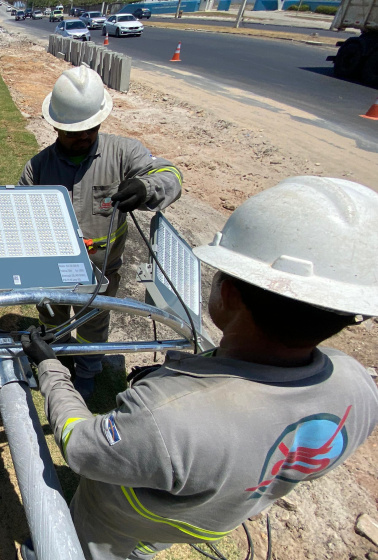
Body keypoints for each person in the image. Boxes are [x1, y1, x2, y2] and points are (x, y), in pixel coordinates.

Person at [20, 176, 378, 560]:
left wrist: (51, 367)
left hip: (118, 521)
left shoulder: (166, 419)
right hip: (200, 519)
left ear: (228, 292)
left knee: (86, 547)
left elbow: (79, 444)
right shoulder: (358, 388)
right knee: (143, 547)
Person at [18, 66, 182, 399]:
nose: (83, 137)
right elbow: (21, 221)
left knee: (94, 325)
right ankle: (58, 363)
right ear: (55, 126)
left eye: (90, 129)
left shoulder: (124, 153)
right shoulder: (37, 168)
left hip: (102, 272)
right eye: (73, 132)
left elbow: (170, 175)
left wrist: (146, 186)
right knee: (52, 319)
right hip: (51, 274)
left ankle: (89, 370)